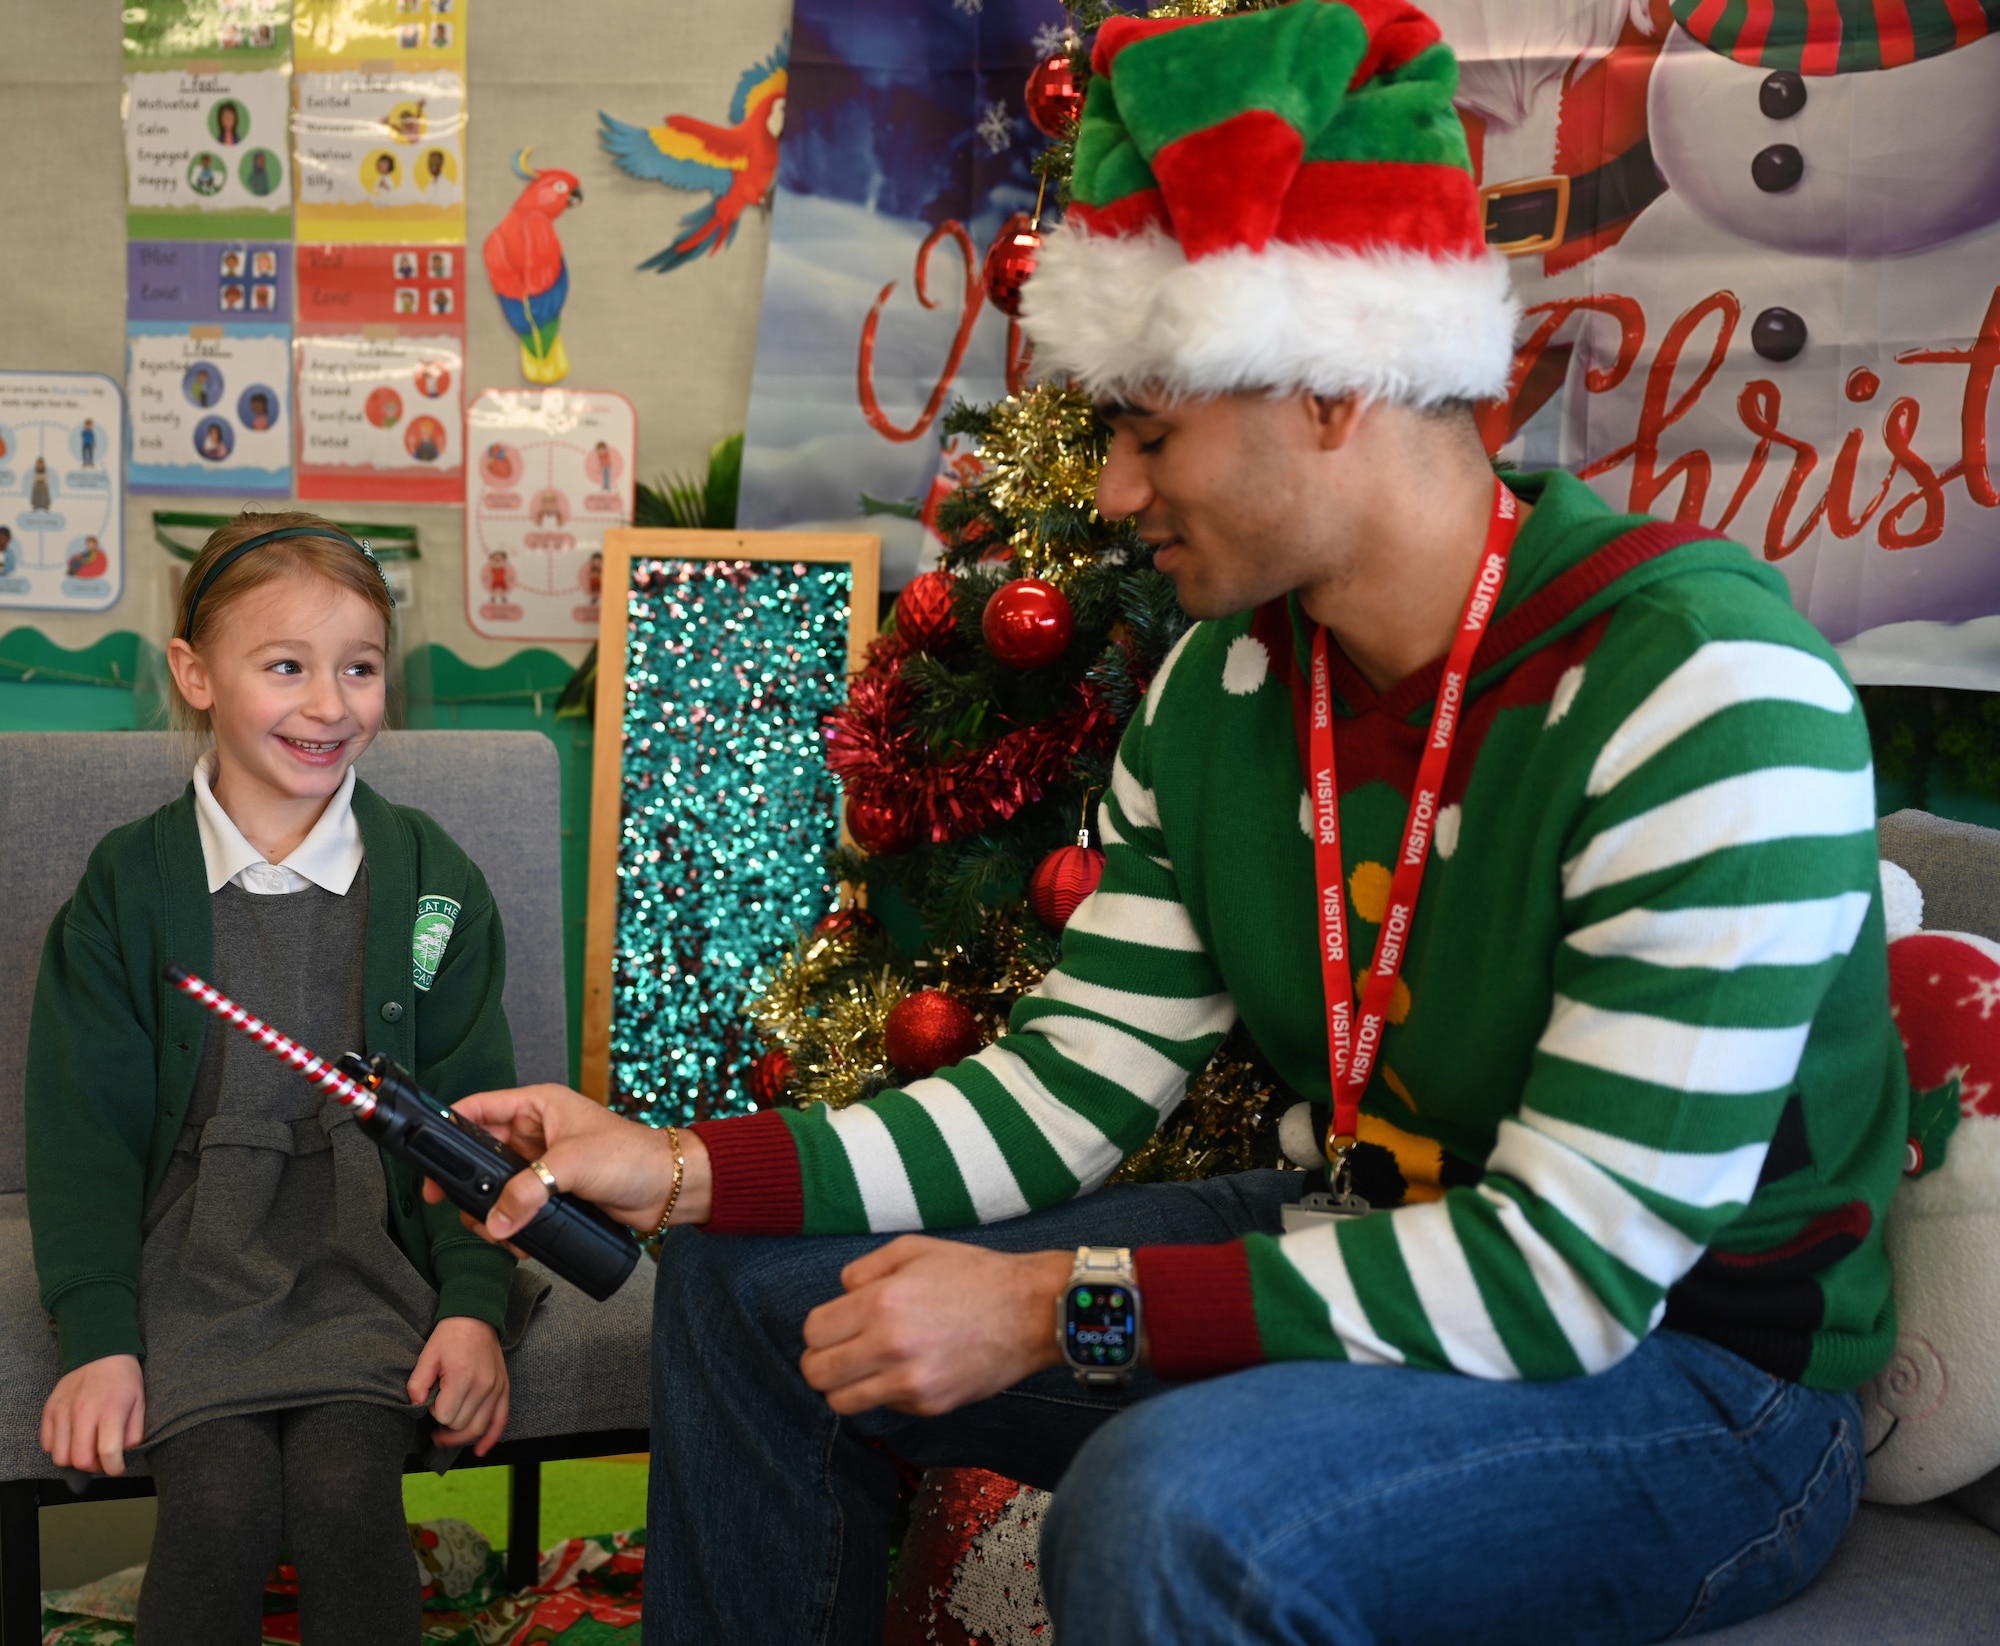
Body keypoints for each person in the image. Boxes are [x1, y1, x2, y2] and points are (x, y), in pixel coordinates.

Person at [441, 6, 1905, 1642]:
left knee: (1176, 1505)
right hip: (1373, 1227)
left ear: (1337, 389)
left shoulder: (1704, 686)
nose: (1119, 494)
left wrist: (1059, 1308)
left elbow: (1562, 1275)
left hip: (1688, 1368)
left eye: (1152, 432)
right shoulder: (1223, 685)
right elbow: (1070, 1088)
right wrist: (689, 1167)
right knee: (759, 1297)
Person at [27, 511, 531, 1646]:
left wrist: (471, 1305)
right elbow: (83, 1130)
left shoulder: (432, 877)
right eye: (286, 666)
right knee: (217, 1503)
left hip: (368, 1249)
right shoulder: (126, 883)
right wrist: (99, 1333)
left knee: (351, 1493)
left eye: (358, 666)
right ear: (197, 675)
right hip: (192, 1248)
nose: (329, 703)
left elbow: (470, 1122)